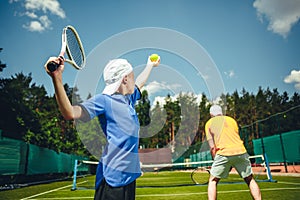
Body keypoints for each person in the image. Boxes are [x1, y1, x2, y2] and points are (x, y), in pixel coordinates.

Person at [44, 56, 160, 200]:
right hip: (112, 180)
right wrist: (56, 77)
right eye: (132, 76)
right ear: (125, 79)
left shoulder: (128, 99)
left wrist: (149, 65)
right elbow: (70, 113)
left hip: (129, 177)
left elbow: (140, 83)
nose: (134, 80)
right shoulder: (104, 101)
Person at [205, 104, 261, 200]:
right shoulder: (232, 120)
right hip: (241, 151)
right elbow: (234, 137)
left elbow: (212, 147)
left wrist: (215, 159)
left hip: (223, 153)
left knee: (213, 180)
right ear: (221, 112)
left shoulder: (209, 123)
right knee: (250, 179)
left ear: (211, 114)